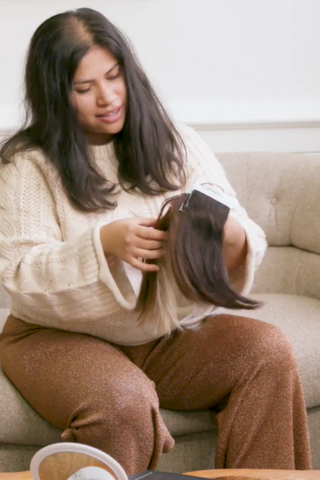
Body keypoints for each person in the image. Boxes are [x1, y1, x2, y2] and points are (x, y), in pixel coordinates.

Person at [0, 7, 311, 475]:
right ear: (54, 95)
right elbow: (19, 273)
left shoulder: (175, 142)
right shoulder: (29, 164)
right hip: (52, 337)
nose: (107, 97)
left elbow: (245, 237)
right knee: (122, 399)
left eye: (114, 76)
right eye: (84, 88)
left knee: (265, 351)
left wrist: (225, 233)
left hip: (160, 331)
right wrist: (102, 243)